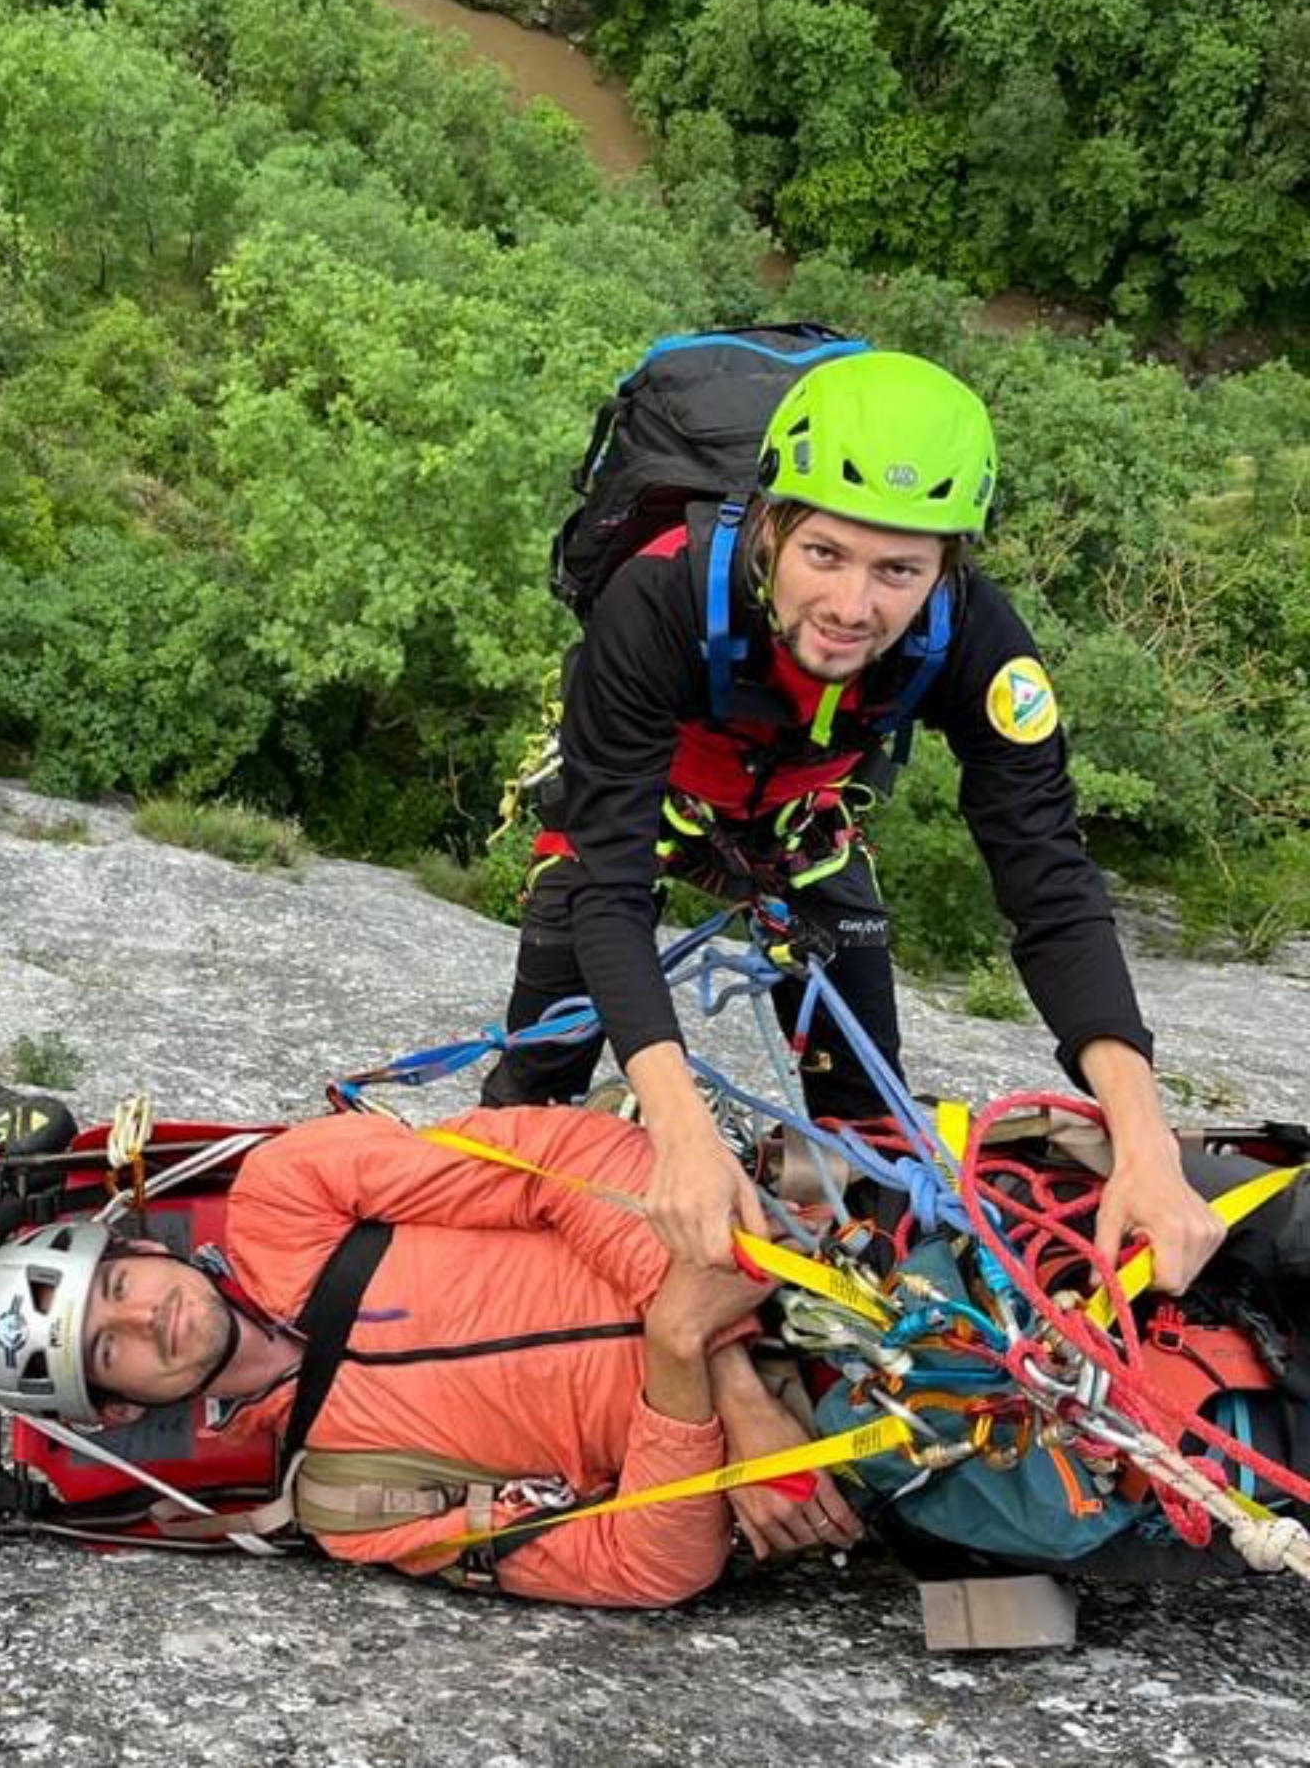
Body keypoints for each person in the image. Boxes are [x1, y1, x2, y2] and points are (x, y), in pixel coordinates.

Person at [482, 348, 1224, 1296]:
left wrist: (1144, 1138)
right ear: (770, 522)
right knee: (533, 1082)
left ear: (947, 566)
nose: (850, 605)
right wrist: (680, 1129)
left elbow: (1050, 882)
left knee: (871, 1123)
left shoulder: (976, 639)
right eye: (824, 553)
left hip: (801, 821)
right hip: (644, 803)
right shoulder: (658, 600)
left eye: (897, 569)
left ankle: (850, 1306)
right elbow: (614, 884)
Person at [0, 1100, 862, 1607]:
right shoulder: (347, 1501)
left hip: (792, 1253)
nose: (146, 1320)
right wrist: (677, 1363)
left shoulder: (287, 1194)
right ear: (117, 1410)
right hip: (834, 1446)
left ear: (143, 1249)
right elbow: (645, 1565)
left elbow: (564, 1157)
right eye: (107, 1348)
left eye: (118, 1289)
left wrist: (730, 1383)